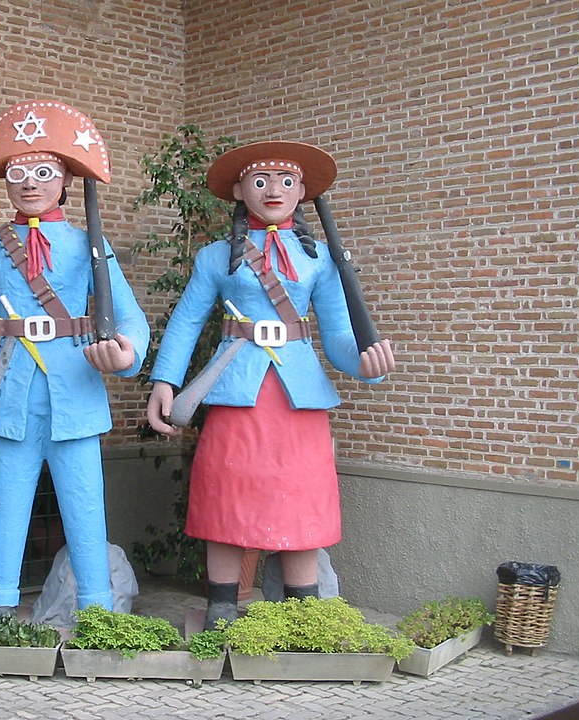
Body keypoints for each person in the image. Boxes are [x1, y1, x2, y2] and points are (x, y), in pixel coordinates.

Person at [146, 141, 394, 629]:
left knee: (301, 496)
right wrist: (164, 380)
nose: (273, 191)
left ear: (302, 192)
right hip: (236, 389)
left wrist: (365, 363)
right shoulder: (216, 257)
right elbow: (186, 321)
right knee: (227, 492)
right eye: (260, 182)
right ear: (240, 191)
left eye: (286, 181)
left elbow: (338, 334)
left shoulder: (320, 260)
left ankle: (303, 611)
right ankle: (222, 603)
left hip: (299, 395)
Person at [0, 100, 149, 617]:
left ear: (66, 179)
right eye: (17, 174)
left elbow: (129, 315)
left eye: (43, 172)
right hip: (8, 395)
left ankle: (98, 615)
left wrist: (126, 352)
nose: (30, 184)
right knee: (5, 511)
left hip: (76, 392)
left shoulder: (89, 244)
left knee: (86, 512)